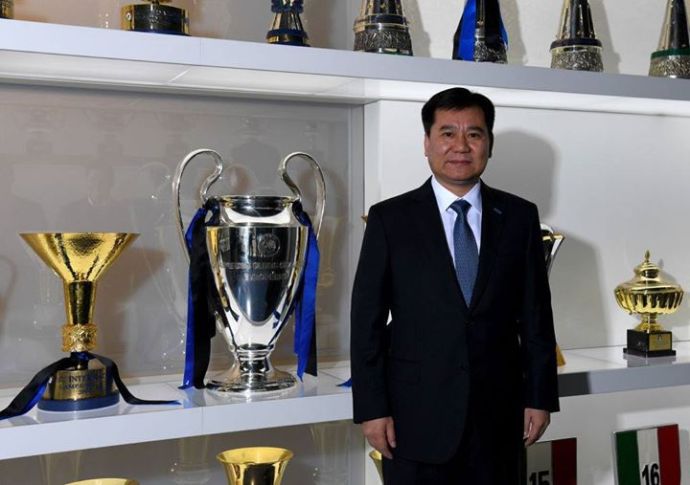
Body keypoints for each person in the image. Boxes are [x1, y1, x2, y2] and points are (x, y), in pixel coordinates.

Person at [350, 87, 559, 484]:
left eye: (474, 134)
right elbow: (366, 323)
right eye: (447, 133)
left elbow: (536, 317)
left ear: (489, 144)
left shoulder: (519, 217)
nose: (461, 146)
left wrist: (540, 397)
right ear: (427, 143)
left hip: (499, 419)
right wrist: (372, 408)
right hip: (414, 419)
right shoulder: (389, 219)